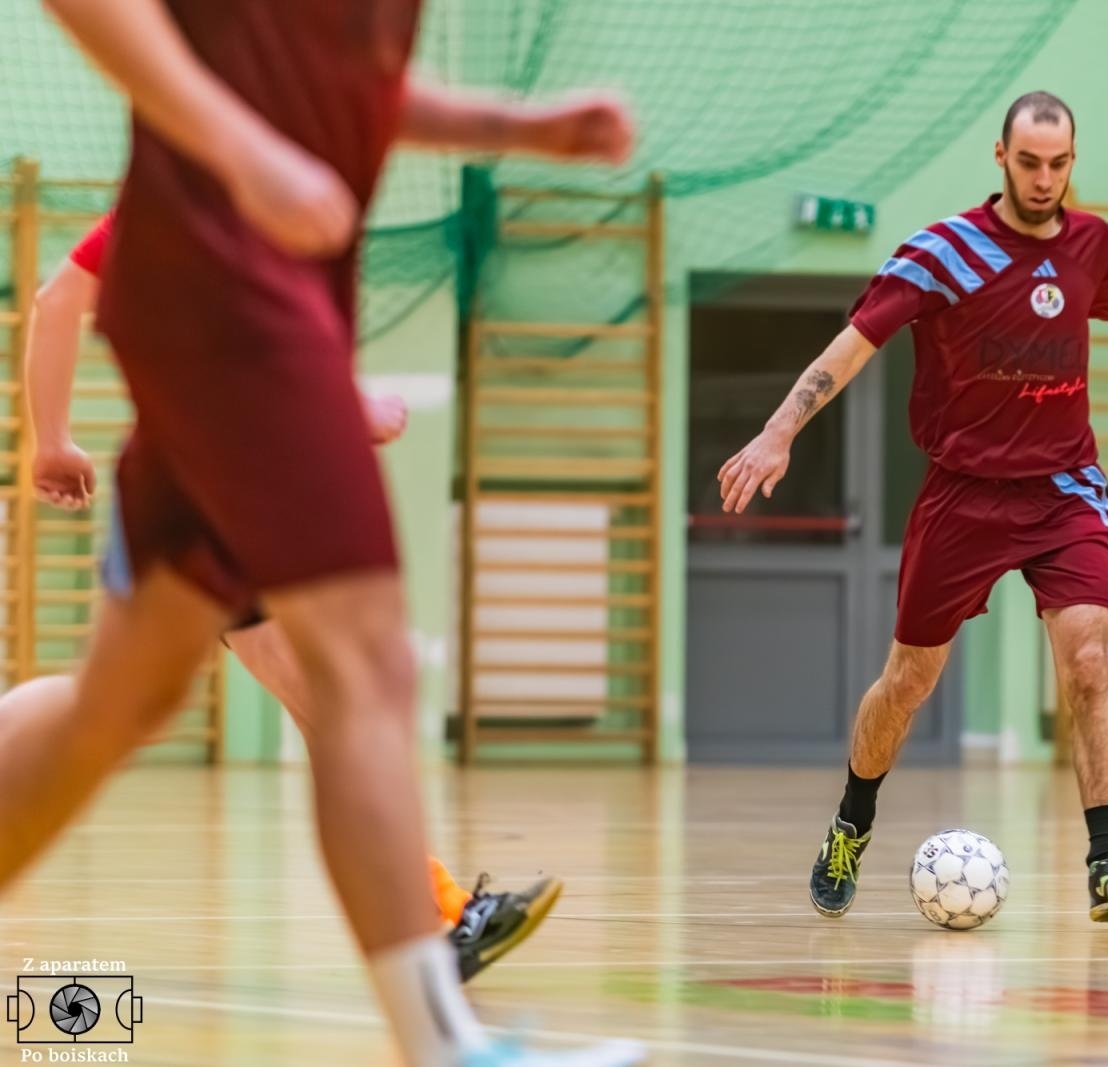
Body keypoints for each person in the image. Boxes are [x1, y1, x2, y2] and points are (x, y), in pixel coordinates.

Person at [4, 1, 643, 1063]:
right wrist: (243, 147)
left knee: (119, 704)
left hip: (250, 297)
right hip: (225, 291)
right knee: (364, 666)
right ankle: (443, 1040)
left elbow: (347, 86)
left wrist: (516, 127)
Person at [717, 91, 1108, 925]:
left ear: (1074, 159)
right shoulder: (944, 252)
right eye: (1031, 162)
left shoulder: (1089, 245)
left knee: (1087, 661)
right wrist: (778, 432)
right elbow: (853, 345)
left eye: (1060, 163)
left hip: (1064, 488)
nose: (1046, 179)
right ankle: (851, 821)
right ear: (1000, 157)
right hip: (964, 493)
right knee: (908, 682)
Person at [10, 210, 555, 984]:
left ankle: (435, 924)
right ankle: (435, 925)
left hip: (202, 491)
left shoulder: (185, 193)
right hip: (214, 493)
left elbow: (61, 299)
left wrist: (55, 436)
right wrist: (344, 412)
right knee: (334, 708)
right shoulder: (224, 200)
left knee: (296, 709)